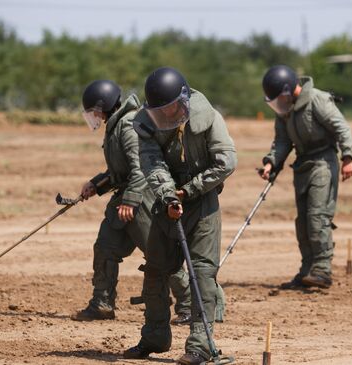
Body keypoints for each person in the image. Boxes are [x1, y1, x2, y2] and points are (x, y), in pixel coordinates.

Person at [123, 67, 236, 365]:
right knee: (156, 270)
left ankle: (199, 346)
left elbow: (226, 162)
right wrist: (169, 194)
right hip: (167, 200)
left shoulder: (209, 117)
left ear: (184, 99)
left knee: (202, 274)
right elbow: (152, 161)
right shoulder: (147, 125)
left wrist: (190, 190)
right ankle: (155, 337)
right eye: (160, 111)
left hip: (202, 203)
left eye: (171, 107)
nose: (167, 115)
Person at [71, 79, 192, 323]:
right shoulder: (116, 125)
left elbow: (140, 169)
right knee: (105, 247)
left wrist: (131, 201)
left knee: (161, 254)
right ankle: (102, 303)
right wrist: (97, 184)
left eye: (94, 111)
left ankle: (190, 306)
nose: (93, 116)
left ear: (103, 106)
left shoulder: (127, 125)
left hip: (142, 201)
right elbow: (120, 171)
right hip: (125, 201)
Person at [258, 65, 352, 289]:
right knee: (302, 222)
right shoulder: (285, 110)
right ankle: (307, 269)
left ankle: (322, 269)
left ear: (289, 90)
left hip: (323, 162)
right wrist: (271, 162)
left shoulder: (317, 100)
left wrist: (348, 157)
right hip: (302, 165)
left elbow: (342, 128)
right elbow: (282, 141)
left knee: (317, 216)